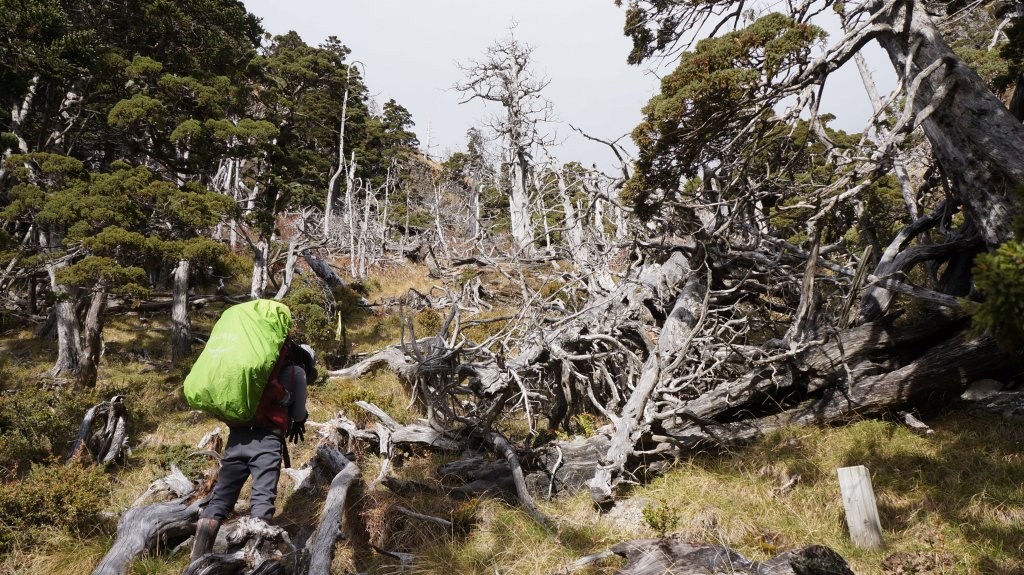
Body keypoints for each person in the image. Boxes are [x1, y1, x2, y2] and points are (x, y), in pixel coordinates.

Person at [190, 341, 316, 561]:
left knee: (220, 500)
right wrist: (299, 418)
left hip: (237, 435)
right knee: (262, 501)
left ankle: (197, 559)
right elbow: (297, 414)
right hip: (267, 439)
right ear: (305, 360)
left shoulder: (262, 367)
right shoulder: (296, 371)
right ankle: (256, 563)